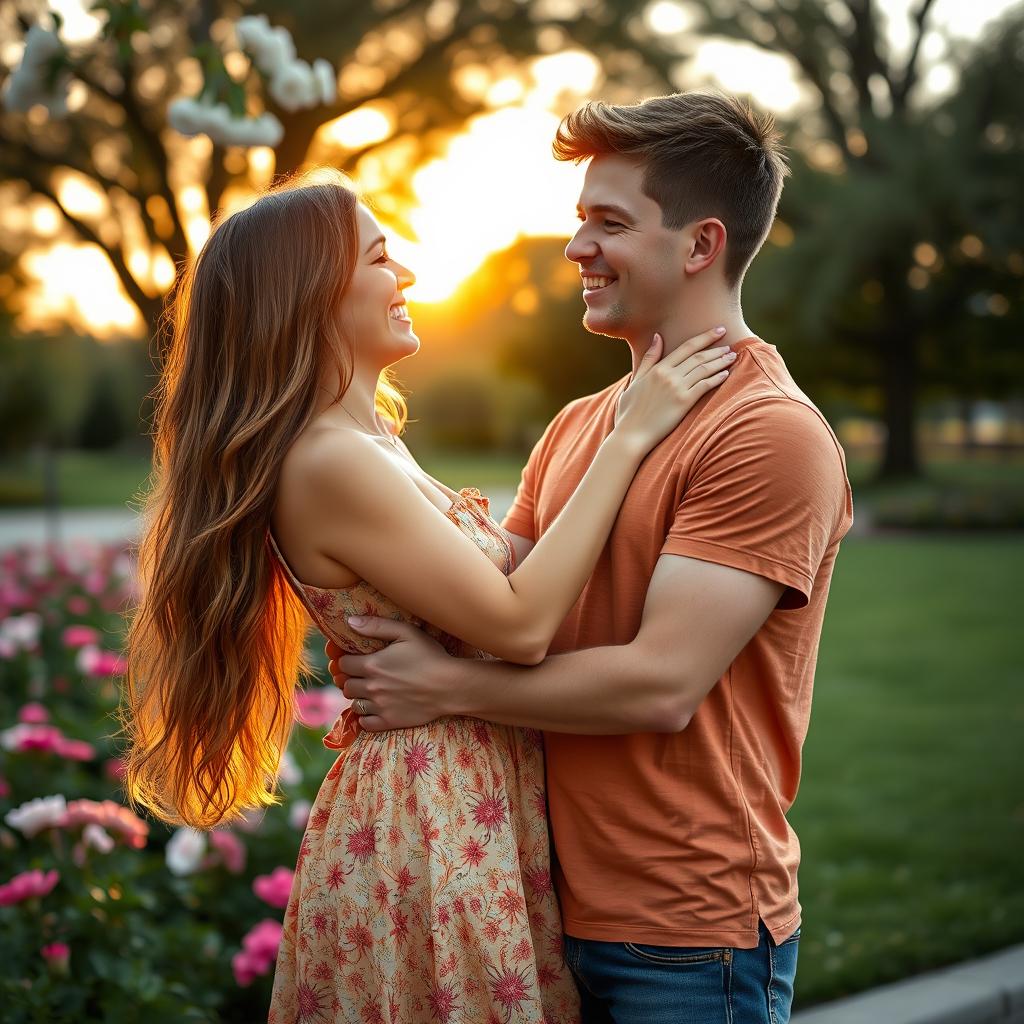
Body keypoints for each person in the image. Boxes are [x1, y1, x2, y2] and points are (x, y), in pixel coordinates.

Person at [118, 168, 735, 1023]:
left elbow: (505, 581)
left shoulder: (370, 443)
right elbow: (519, 624)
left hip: (456, 796)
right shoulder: (332, 462)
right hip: (427, 817)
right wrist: (630, 437)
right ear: (310, 295)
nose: (406, 275)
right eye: (379, 257)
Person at [327, 92, 855, 1024]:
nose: (577, 250)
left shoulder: (767, 434)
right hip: (541, 898)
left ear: (700, 246)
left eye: (609, 224)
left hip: (685, 937)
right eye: (579, 221)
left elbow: (659, 685)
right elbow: (502, 609)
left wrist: (445, 690)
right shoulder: (583, 425)